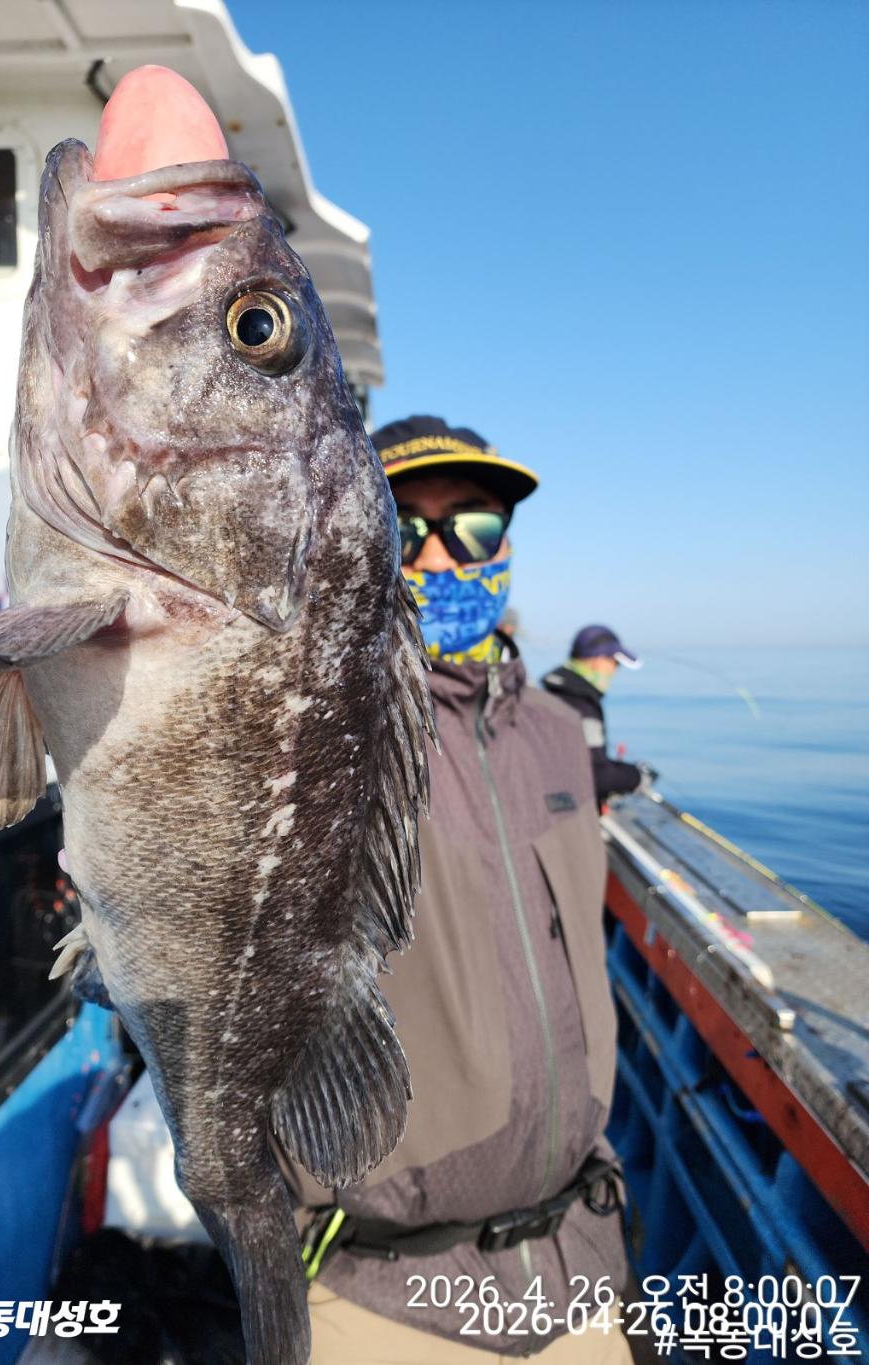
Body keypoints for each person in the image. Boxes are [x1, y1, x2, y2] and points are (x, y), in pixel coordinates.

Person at [279, 416, 631, 1364]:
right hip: (385, 1300)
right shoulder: (314, 732)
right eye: (401, 529)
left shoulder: (560, 731)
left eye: (472, 527)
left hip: (583, 1275)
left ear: (506, 545)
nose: (438, 554)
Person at [542, 627, 651, 806]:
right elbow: (596, 776)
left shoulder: (550, 692)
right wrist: (637, 777)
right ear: (598, 660)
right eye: (614, 663)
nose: (615, 671)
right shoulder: (581, 707)